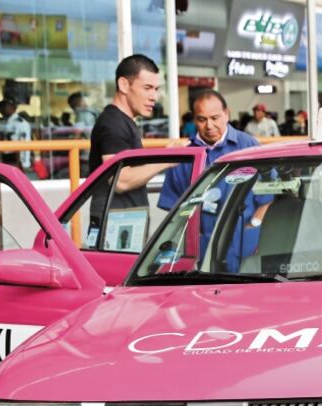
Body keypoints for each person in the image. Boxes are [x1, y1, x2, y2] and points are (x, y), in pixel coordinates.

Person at [158, 89, 273, 271]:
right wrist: (192, 234)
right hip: (200, 248)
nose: (209, 126)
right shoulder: (184, 156)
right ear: (194, 120)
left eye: (215, 118)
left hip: (245, 244)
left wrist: (254, 226)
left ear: (227, 114)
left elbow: (270, 195)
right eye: (202, 120)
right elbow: (173, 208)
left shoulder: (248, 146)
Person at [87, 54, 171, 240]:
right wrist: (167, 159)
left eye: (156, 89)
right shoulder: (113, 124)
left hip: (124, 221)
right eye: (147, 88)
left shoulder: (124, 122)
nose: (154, 97)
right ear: (124, 85)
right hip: (115, 225)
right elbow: (120, 181)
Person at [0, 98, 32, 169]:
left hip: (16, 160)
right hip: (3, 159)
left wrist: (22, 163)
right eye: (0, 107)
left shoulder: (21, 123)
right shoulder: (1, 122)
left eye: (4, 106)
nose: (1, 109)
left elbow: (24, 145)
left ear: (12, 107)